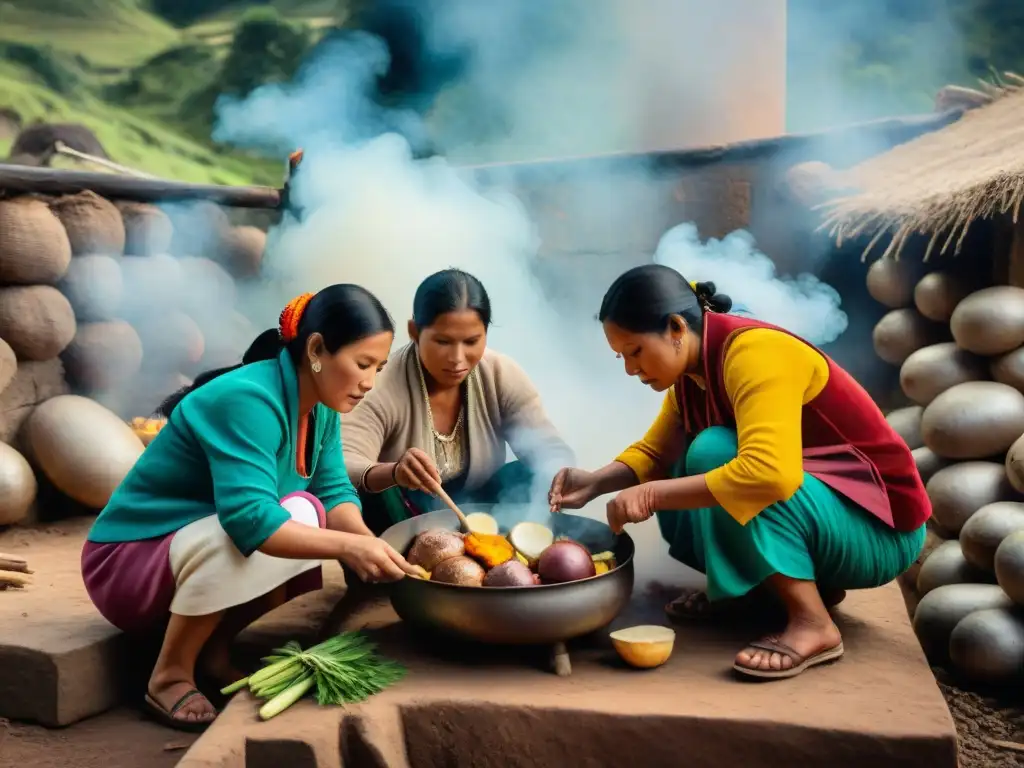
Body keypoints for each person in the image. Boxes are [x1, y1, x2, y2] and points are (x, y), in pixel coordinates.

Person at [548, 265, 929, 681]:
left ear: (676, 327)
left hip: (881, 531)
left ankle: (813, 623)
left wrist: (652, 495)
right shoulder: (691, 374)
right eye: (621, 356)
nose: (629, 369)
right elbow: (657, 452)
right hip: (832, 518)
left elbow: (771, 475)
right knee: (687, 457)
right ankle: (759, 592)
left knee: (712, 452)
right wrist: (597, 481)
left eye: (636, 351)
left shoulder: (754, 353)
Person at [81, 285, 419, 732]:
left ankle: (215, 652)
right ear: (317, 348)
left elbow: (335, 491)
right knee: (247, 530)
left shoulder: (323, 405)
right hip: (127, 565)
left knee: (307, 512)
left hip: (185, 553)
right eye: (361, 364)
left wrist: (371, 544)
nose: (369, 383)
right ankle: (169, 675)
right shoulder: (247, 399)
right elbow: (248, 519)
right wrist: (346, 548)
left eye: (378, 367)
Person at [342, 268, 574, 534]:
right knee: (377, 492)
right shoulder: (379, 385)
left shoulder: (500, 373)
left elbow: (550, 448)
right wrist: (394, 472)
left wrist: (555, 475)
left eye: (472, 341)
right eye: (443, 341)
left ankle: (521, 554)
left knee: (533, 474)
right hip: (407, 520)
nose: (457, 358)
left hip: (487, 512)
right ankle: (396, 571)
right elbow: (343, 465)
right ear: (414, 331)